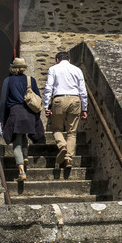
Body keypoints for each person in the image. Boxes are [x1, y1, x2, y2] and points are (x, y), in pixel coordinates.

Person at [0, 58, 45, 190]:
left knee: (16, 143)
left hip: (16, 113)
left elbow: (3, 101)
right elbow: (37, 98)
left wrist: (0, 119)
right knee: (23, 136)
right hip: (29, 114)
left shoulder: (8, 81)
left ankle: (21, 172)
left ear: (12, 67)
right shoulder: (31, 80)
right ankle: (25, 157)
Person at [43, 48, 87, 178]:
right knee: (72, 132)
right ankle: (68, 158)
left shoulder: (53, 69)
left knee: (56, 128)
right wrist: (84, 108)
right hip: (75, 100)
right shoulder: (77, 70)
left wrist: (46, 105)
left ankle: (62, 146)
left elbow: (48, 87)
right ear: (69, 60)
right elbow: (83, 91)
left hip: (58, 101)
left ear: (57, 60)